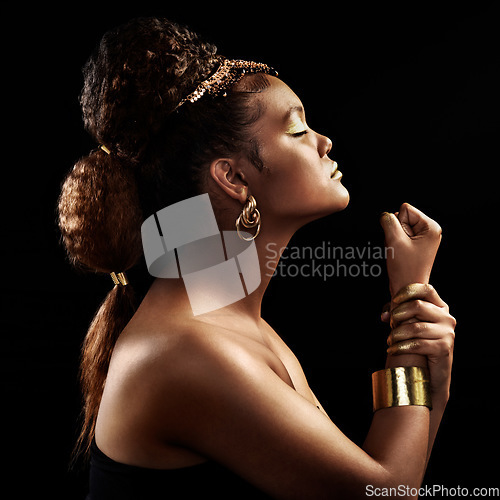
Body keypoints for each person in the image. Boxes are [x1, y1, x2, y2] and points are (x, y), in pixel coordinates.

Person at [58, 17, 456, 499]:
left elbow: (395, 480)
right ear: (234, 178)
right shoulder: (187, 349)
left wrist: (431, 376)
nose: (324, 142)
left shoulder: (235, 327)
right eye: (297, 129)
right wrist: (408, 322)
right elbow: (388, 493)